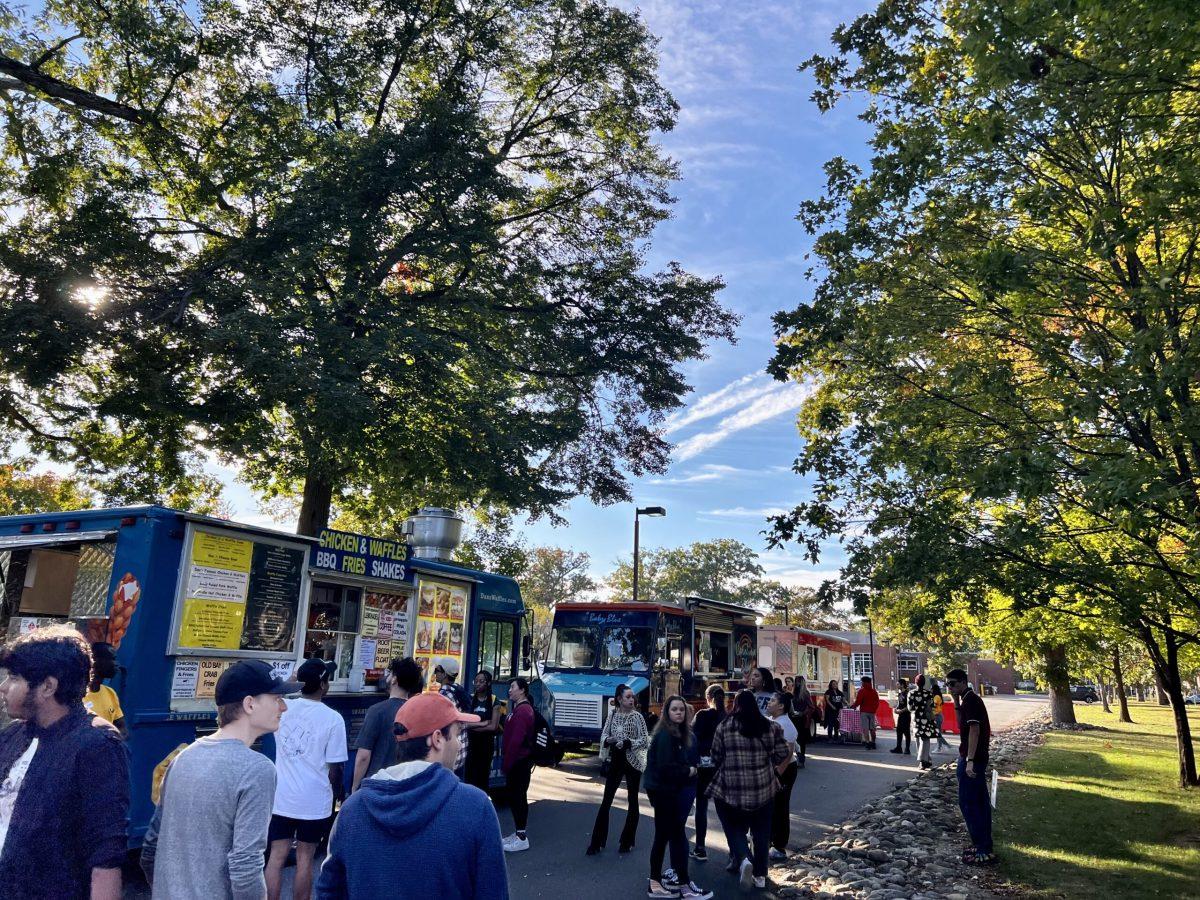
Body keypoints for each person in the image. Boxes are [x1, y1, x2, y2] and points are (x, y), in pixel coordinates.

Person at [315, 692, 508, 899]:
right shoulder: (475, 807)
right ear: (437, 739)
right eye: (457, 734)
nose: (460, 744)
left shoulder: (352, 810)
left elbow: (329, 890)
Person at [142, 659, 300, 900]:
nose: (284, 707)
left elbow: (151, 847)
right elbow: (246, 866)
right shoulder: (257, 769)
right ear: (249, 704)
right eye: (276, 698)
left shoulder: (182, 757)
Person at [0, 625, 129, 900]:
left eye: (13, 678)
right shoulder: (12, 735)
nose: (3, 688)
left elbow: (105, 853)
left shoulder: (96, 746)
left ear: (48, 686)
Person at [266, 658, 348, 900]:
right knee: (304, 861)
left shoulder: (282, 707)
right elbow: (336, 767)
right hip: (313, 801)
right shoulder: (333, 719)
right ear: (323, 685)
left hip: (281, 797)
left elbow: (272, 693)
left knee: (275, 858)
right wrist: (337, 791)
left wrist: (290, 682)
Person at [708, 690, 790, 890]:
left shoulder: (724, 727)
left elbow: (716, 757)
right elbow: (783, 753)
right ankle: (761, 876)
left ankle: (744, 858)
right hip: (764, 788)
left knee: (733, 827)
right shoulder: (771, 726)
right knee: (762, 832)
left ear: (735, 705)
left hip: (732, 789)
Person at [643, 695, 710, 900]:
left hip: (669, 792)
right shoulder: (665, 735)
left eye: (681, 709)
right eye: (674, 710)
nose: (679, 712)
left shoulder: (680, 733)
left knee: (666, 837)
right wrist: (689, 771)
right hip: (664, 792)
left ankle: (662, 883)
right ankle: (682, 885)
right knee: (674, 837)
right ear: (667, 712)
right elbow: (665, 768)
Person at [589, 683, 648, 854]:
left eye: (633, 697)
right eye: (628, 697)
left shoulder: (637, 717)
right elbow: (604, 735)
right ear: (619, 699)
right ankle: (597, 842)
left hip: (632, 761)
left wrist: (629, 742)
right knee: (606, 800)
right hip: (616, 759)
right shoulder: (613, 715)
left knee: (633, 800)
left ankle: (627, 841)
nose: (632, 699)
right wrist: (609, 740)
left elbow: (645, 740)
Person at [351, 656, 424, 791]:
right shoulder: (419, 713)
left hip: (377, 785)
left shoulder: (377, 711)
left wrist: (355, 787)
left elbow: (363, 756)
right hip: (407, 786)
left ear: (395, 679)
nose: (388, 677)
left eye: (390, 674)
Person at [945, 668, 995, 866]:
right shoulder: (965, 700)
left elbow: (974, 729)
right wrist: (955, 702)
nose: (950, 687)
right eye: (948, 684)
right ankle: (981, 843)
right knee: (975, 801)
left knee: (970, 803)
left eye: (953, 684)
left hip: (972, 758)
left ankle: (984, 848)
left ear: (963, 682)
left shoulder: (972, 700)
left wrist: (970, 761)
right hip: (968, 755)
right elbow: (961, 726)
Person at [690, 684, 725, 861]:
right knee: (725, 811)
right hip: (722, 768)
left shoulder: (701, 716)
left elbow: (691, 738)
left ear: (708, 697)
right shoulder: (727, 718)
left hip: (703, 767)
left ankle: (700, 847)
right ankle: (736, 852)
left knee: (701, 808)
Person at [500, 676, 535, 852]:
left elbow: (516, 741)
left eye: (512, 687)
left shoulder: (523, 711)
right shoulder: (518, 709)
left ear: (522, 690)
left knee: (518, 797)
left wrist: (507, 764)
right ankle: (518, 833)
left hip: (519, 762)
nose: (510, 690)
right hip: (517, 761)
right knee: (514, 797)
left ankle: (522, 836)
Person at [766, 691, 799, 862]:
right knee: (772, 805)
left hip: (785, 770)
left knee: (780, 806)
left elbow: (788, 752)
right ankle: (770, 839)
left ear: (781, 706)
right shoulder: (774, 721)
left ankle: (779, 846)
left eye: (772, 700)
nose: (769, 703)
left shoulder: (785, 725)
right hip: (775, 769)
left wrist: (778, 772)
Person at [464, 669, 503, 791]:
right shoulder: (469, 699)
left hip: (486, 746)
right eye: (476, 681)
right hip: (470, 744)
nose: (478, 684)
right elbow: (464, 724)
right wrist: (483, 724)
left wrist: (474, 726)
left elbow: (493, 726)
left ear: (488, 683)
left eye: (481, 681)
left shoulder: (494, 700)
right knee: (469, 776)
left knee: (482, 777)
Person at [435, 659, 471, 775]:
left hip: (450, 756)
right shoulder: (459, 690)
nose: (435, 673)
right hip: (462, 751)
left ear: (444, 674)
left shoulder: (444, 695)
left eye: (437, 670)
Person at [83, 641, 126, 737]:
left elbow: (121, 727)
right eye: (113, 659)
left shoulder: (110, 693)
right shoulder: (77, 695)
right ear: (95, 661)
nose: (117, 664)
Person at [910, 674, 936, 770]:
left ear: (916, 682)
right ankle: (925, 760)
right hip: (926, 718)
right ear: (924, 683)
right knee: (925, 739)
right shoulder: (928, 694)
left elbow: (909, 708)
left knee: (918, 738)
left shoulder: (911, 693)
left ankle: (923, 760)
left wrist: (917, 708)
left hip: (916, 718)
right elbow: (930, 707)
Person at [851, 675, 880, 749]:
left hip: (864, 711)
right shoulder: (874, 691)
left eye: (862, 682)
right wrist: (874, 709)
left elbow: (858, 701)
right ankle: (873, 743)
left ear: (864, 682)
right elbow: (877, 702)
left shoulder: (862, 691)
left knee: (865, 729)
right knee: (872, 729)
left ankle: (867, 743)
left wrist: (853, 706)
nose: (861, 683)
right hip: (872, 712)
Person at [791, 680, 813, 766]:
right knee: (794, 739)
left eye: (798, 682)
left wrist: (802, 713)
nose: (797, 684)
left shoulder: (805, 693)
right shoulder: (794, 693)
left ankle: (801, 759)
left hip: (801, 719)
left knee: (801, 740)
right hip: (793, 718)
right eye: (796, 682)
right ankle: (798, 758)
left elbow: (811, 706)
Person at [890, 677, 911, 755]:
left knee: (906, 732)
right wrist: (896, 709)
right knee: (899, 731)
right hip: (900, 716)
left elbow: (909, 706)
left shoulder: (907, 693)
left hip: (906, 716)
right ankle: (898, 747)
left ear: (902, 685)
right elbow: (899, 703)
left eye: (898, 684)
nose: (897, 685)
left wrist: (901, 711)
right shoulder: (900, 693)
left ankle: (907, 749)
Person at [932, 681, 952, 750]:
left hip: (937, 716)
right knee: (938, 732)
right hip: (938, 716)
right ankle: (939, 747)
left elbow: (933, 706)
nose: (930, 690)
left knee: (937, 733)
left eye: (931, 689)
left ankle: (945, 745)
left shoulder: (936, 697)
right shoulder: (938, 696)